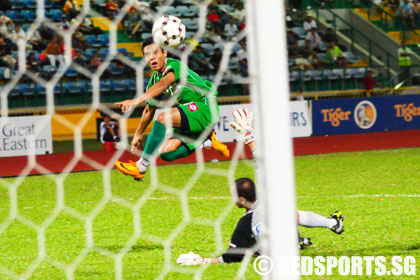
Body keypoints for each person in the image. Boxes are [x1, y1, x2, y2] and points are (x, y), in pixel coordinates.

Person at [176, 108, 344, 265]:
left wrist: (201, 260)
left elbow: (231, 257)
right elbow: (259, 162)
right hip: (287, 239)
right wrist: (249, 134)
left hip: (275, 255)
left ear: (242, 199)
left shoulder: (245, 223)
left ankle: (293, 241)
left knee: (253, 245)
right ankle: (328, 225)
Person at [114, 37, 230, 181]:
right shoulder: (154, 80)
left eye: (155, 52)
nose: (152, 58)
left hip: (204, 105)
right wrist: (138, 134)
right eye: (147, 55)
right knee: (166, 153)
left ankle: (141, 166)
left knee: (163, 118)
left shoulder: (175, 65)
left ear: (165, 53)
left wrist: (137, 100)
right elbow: (149, 109)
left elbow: (164, 84)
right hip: (190, 112)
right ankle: (206, 141)